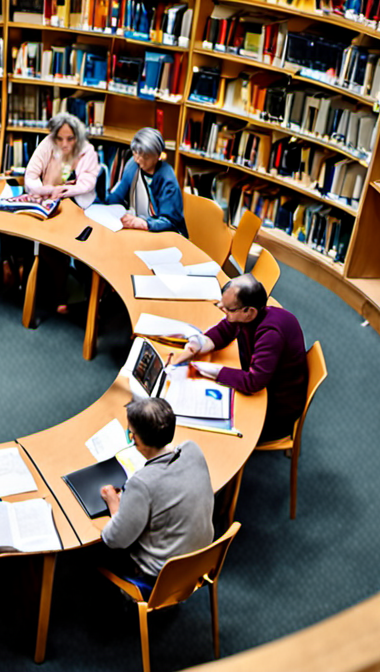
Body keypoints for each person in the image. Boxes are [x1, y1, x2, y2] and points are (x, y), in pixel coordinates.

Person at [168, 274, 308, 443]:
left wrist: (209, 370)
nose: (221, 309)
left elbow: (253, 382)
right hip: (265, 385)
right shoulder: (251, 315)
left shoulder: (271, 334)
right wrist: (198, 344)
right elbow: (224, 330)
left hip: (275, 408)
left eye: (227, 308)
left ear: (249, 311)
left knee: (208, 433)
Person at [99, 398, 214, 592]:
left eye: (131, 434)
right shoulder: (193, 450)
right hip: (201, 562)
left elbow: (113, 539)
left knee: (90, 552)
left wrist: (113, 501)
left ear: (136, 439)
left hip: (160, 578)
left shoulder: (141, 483)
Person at [5, 113, 100, 312]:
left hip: (72, 205)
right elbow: (31, 176)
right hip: (42, 198)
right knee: (13, 226)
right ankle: (19, 270)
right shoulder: (47, 144)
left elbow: (87, 183)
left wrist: (66, 190)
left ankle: (57, 293)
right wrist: (45, 190)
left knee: (55, 242)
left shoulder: (86, 151)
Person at [102, 127, 186, 236]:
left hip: (161, 234)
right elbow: (118, 195)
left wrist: (144, 223)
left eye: (145, 157)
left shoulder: (167, 179)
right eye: (135, 153)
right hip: (138, 230)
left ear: (158, 156)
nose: (138, 159)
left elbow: (171, 222)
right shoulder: (133, 164)